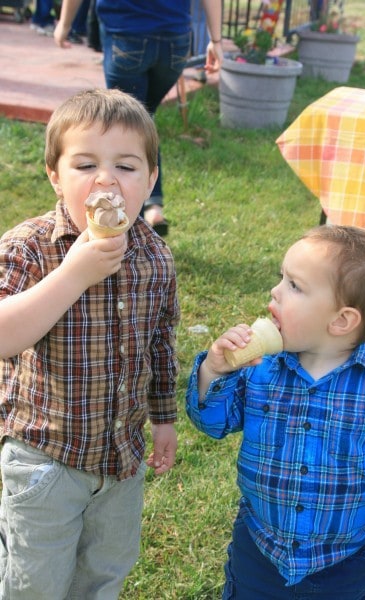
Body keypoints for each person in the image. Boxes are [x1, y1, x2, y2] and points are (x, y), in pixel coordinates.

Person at [0, 88, 180, 599]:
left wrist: (163, 417)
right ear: (55, 177)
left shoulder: (155, 257)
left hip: (121, 460)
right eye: (85, 165)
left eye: (126, 166)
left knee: (105, 572)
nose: (106, 180)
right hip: (46, 459)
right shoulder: (29, 247)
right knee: (35, 581)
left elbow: (161, 343)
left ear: (150, 180)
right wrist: (73, 274)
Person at [186, 225, 365, 600]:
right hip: (259, 549)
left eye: (294, 286)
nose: (275, 291)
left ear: (341, 321)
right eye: (281, 279)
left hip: (343, 563)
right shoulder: (260, 368)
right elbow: (211, 422)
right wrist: (214, 371)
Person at [54, 0, 223, 236]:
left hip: (128, 31)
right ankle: (153, 206)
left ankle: (130, 223)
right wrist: (216, 40)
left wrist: (64, 23)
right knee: (142, 121)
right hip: (175, 39)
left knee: (131, 128)